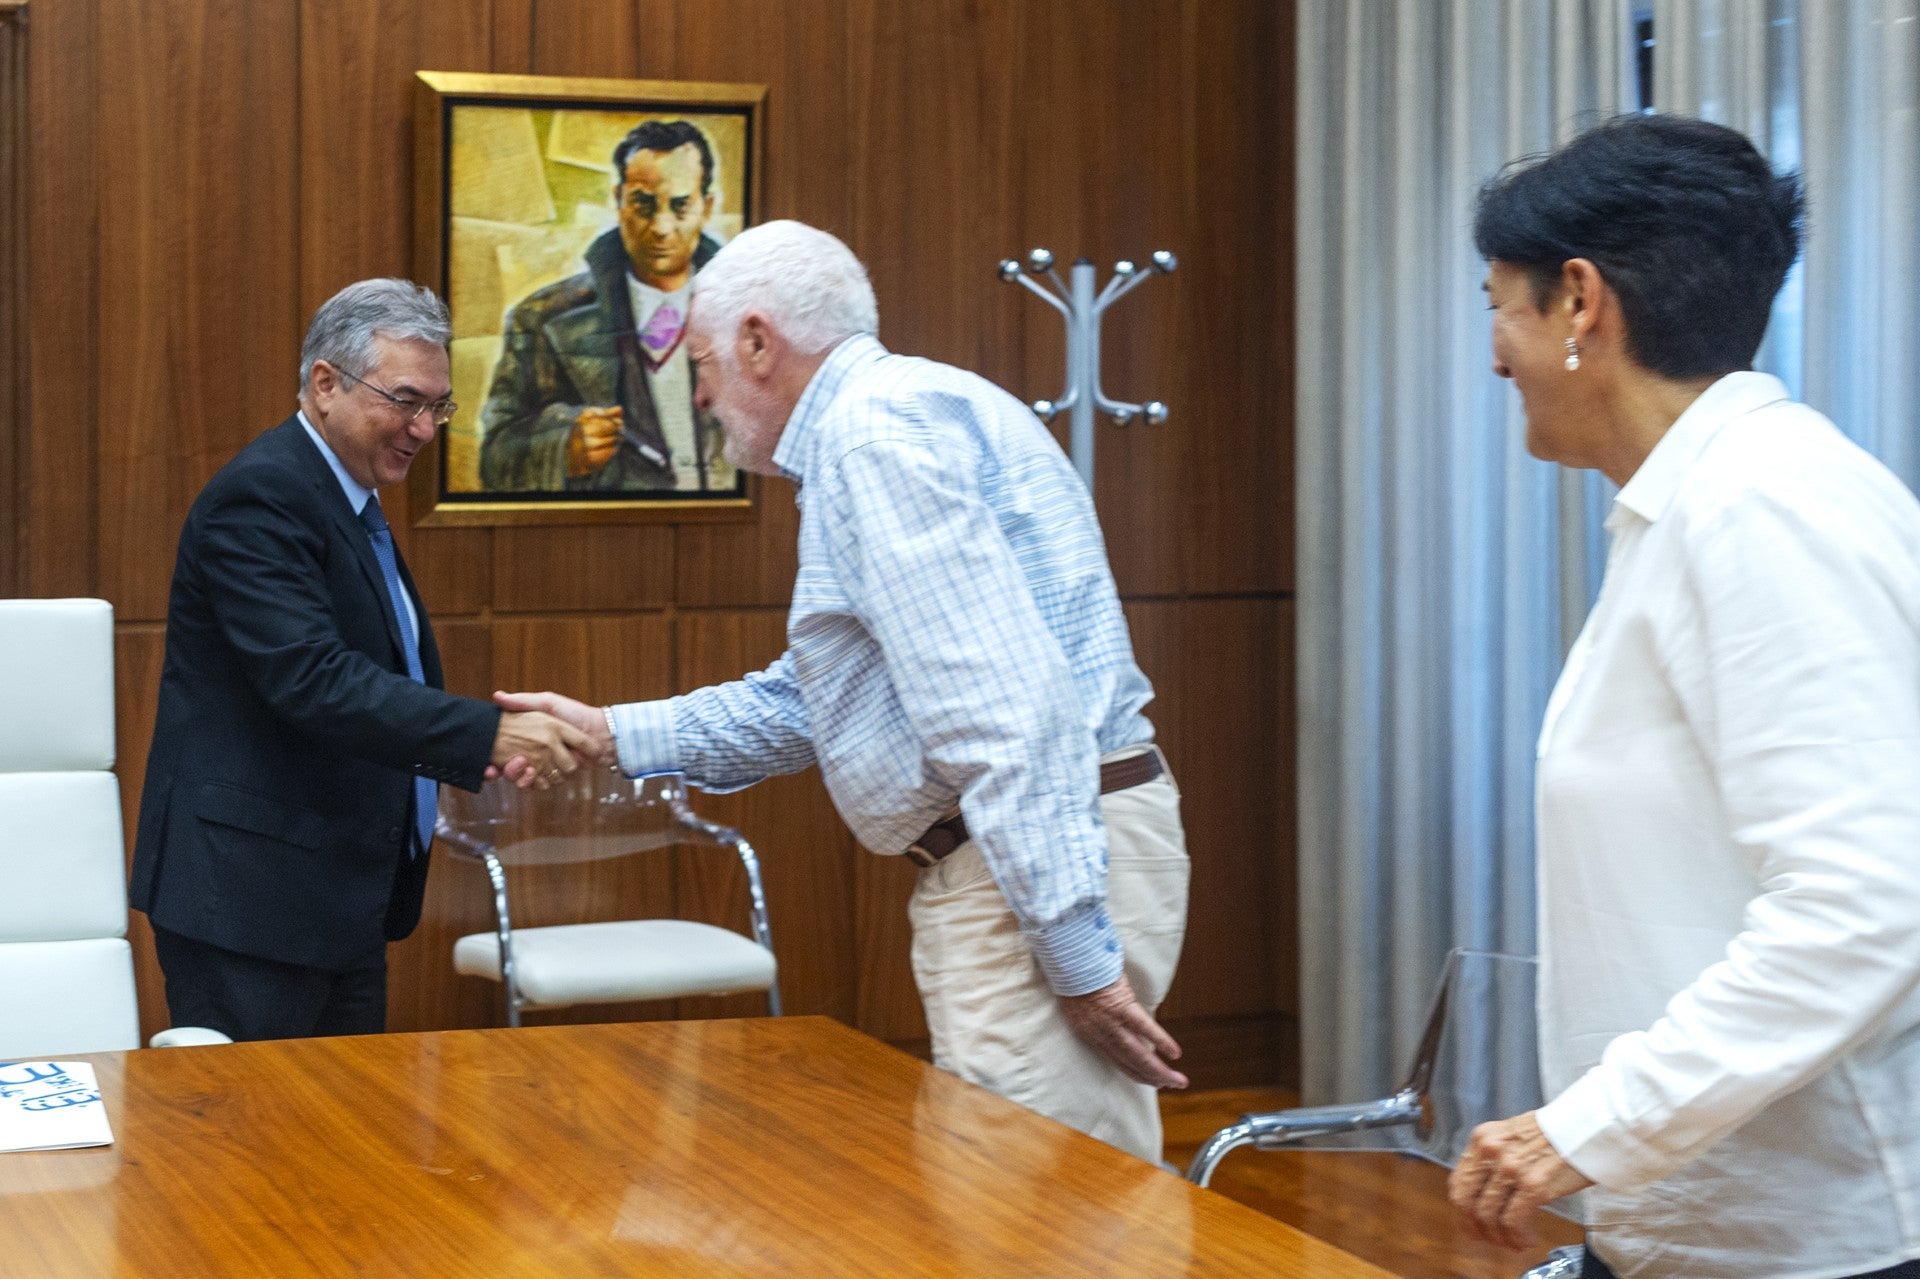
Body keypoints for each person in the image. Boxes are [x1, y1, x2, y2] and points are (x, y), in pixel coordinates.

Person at [498, 220, 1192, 1163]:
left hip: (1029, 860)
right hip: (1051, 845)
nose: (698, 395)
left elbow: (1001, 713)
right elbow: (822, 698)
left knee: (1045, 1225)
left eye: (701, 364)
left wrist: (1074, 956)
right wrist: (615, 730)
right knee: (1072, 1211)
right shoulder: (910, 410)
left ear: (756, 341)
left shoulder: (871, 438)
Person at [1448, 115, 1920, 1278]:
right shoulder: (1700, 504)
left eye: (1497, 305)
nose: (1492, 353)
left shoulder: (1765, 510)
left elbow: (1868, 899)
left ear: (1579, 302)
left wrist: (1597, 1123)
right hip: (1699, 1215)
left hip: (1810, 1240)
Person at [131, 278, 594, 1043]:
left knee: (343, 1152)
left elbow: (382, 675)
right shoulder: (263, 497)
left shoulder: (343, 496)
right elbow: (313, 679)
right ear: (324, 383)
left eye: (438, 407)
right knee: (261, 1154)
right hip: (253, 905)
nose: (423, 427)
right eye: (405, 400)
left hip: (338, 899)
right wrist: (486, 734)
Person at [479, 119, 735, 494]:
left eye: (680, 207)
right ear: (618, 201)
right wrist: (563, 447)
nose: (662, 227)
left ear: (707, 207)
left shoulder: (746, 314)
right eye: (643, 204)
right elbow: (495, 461)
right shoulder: (542, 319)